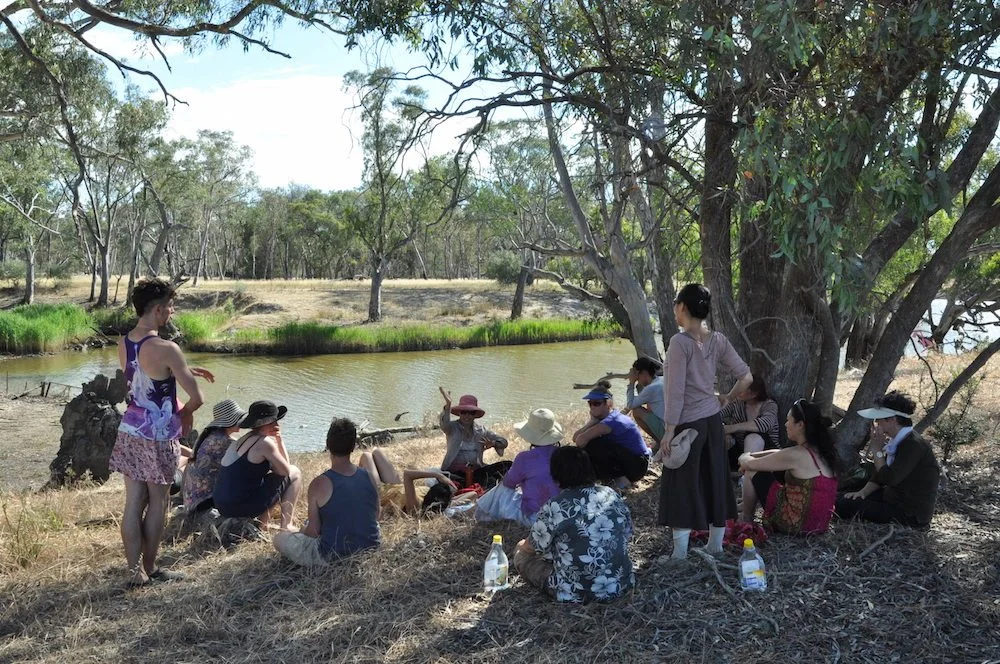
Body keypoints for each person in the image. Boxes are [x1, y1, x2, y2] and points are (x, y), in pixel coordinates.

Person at [108, 277, 215, 588]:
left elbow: (143, 375)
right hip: (157, 435)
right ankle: (151, 568)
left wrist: (183, 368)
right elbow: (198, 399)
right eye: (170, 306)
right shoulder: (168, 348)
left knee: (133, 502)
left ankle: (133, 572)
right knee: (158, 502)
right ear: (156, 309)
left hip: (130, 429)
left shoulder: (125, 341)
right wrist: (184, 416)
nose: (172, 311)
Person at [654, 283, 753, 559]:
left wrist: (669, 430)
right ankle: (715, 545)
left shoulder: (679, 343)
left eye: (676, 304)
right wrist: (727, 398)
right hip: (712, 421)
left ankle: (679, 555)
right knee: (716, 479)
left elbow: (675, 391)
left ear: (682, 307)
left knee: (681, 484)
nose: (675, 309)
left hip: (688, 424)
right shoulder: (717, 340)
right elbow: (746, 377)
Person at [514, 446, 635, 603]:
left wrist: (521, 547)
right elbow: (627, 532)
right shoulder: (610, 494)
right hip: (619, 584)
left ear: (556, 476)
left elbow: (533, 547)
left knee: (521, 553)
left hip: (572, 591)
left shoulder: (554, 506)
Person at [273, 419, 380, 566]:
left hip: (332, 556)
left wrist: (301, 530)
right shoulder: (370, 476)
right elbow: (376, 515)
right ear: (354, 447)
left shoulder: (319, 483)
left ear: (328, 444)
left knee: (278, 539)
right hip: (371, 547)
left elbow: (314, 532)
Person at [835, 391, 940, 529]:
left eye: (879, 419)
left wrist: (877, 450)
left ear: (892, 420)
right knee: (844, 494)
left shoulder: (913, 444)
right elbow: (879, 475)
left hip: (909, 514)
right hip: (892, 500)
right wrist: (862, 493)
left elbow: (890, 478)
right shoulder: (899, 440)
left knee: (842, 503)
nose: (876, 423)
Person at [738, 399, 839, 535]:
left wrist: (744, 456)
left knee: (751, 471)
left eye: (788, 420)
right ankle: (746, 504)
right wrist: (754, 454)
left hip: (793, 524)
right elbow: (779, 454)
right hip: (818, 526)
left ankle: (746, 518)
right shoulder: (822, 451)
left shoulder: (797, 454)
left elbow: (748, 464)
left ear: (800, 425)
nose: (785, 424)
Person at [214, 400, 302, 530]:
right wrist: (279, 440)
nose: (277, 425)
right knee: (295, 473)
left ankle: (263, 522)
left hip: (222, 505)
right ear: (262, 423)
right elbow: (286, 471)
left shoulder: (243, 439)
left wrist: (278, 438)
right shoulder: (264, 443)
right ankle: (286, 526)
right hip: (238, 507)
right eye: (273, 422)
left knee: (271, 478)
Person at [475, 408, 563, 526]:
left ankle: (476, 511)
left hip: (534, 518)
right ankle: (474, 508)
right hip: (560, 515)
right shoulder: (565, 455)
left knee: (501, 489)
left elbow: (508, 483)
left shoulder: (525, 458)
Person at [573, 381, 651, 488]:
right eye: (590, 403)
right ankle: (609, 477)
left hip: (637, 466)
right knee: (591, 444)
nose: (592, 407)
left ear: (608, 404)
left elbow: (580, 441)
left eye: (597, 403)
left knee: (593, 444)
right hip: (635, 462)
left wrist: (592, 422)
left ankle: (621, 480)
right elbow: (575, 438)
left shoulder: (610, 422)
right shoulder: (610, 416)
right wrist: (592, 422)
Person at [356, 447, 465, 517]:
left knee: (366, 456)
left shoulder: (415, 507)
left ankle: (357, 488)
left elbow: (407, 474)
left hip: (381, 492)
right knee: (377, 452)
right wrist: (452, 494)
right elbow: (473, 494)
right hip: (396, 485)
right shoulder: (442, 504)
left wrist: (437, 475)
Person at [181, 399, 247, 513]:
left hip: (191, 499)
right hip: (202, 502)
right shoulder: (224, 442)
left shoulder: (210, 435)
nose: (241, 421)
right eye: (238, 418)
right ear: (229, 421)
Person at [438, 388, 510, 487]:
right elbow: (444, 424)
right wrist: (448, 405)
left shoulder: (481, 430)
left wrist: (493, 444)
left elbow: (504, 442)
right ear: (459, 413)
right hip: (454, 472)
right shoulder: (452, 428)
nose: (467, 416)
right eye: (464, 412)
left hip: (476, 470)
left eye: (471, 413)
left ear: (475, 414)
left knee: (508, 465)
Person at [720, 375, 779, 470]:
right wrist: (726, 432)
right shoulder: (736, 403)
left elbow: (765, 424)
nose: (738, 390)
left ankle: (747, 476)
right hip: (739, 450)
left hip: (765, 454)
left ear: (754, 394)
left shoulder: (769, 405)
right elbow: (718, 415)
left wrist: (732, 428)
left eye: (742, 389)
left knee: (753, 437)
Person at [623, 356, 665, 443]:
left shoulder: (651, 388)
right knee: (649, 405)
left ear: (644, 373)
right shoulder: (662, 380)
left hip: (666, 429)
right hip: (673, 426)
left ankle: (660, 442)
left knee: (637, 410)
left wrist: (631, 383)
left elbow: (630, 405)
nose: (638, 381)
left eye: (637, 377)